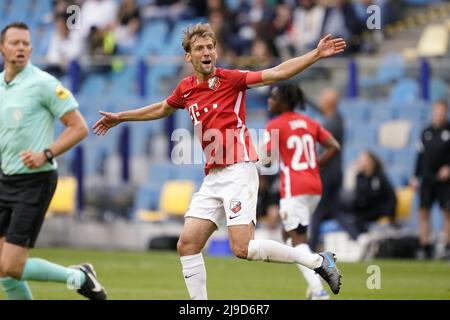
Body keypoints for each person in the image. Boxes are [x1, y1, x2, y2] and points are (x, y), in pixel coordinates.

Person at [93, 23, 345, 299]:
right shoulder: (186, 88)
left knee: (243, 249)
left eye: (210, 47)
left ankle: (318, 262)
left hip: (239, 170)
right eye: (199, 48)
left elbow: (277, 72)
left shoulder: (231, 80)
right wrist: (121, 117)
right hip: (213, 177)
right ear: (188, 56)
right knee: (187, 244)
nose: (206, 52)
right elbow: (162, 108)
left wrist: (315, 54)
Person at [0, 22, 106, 300]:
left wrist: (45, 153)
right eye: (15, 43)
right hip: (5, 180)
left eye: (25, 43)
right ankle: (80, 275)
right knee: (2, 267)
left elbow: (79, 127)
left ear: (32, 49)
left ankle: (80, 277)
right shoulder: (0, 86)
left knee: (12, 265)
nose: (21, 48)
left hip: (34, 181)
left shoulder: (43, 83)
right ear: (2, 48)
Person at [262, 84, 341, 299]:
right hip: (314, 186)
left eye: (274, 97)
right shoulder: (310, 122)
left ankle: (318, 288)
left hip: (294, 188)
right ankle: (313, 285)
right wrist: (314, 165)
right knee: (288, 236)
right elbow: (334, 146)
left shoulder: (275, 125)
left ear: (285, 101)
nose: (269, 100)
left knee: (297, 242)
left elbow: (265, 157)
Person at [411, 100, 450, 260]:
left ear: (446, 112)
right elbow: (420, 156)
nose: (439, 114)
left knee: (447, 211)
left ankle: (447, 247)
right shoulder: (426, 132)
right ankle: (424, 246)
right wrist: (415, 176)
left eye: (442, 111)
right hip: (427, 178)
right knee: (423, 211)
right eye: (436, 111)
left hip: (445, 180)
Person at [308, 88, 345, 251]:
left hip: (328, 174)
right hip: (333, 173)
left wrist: (314, 166)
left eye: (323, 98)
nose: (321, 101)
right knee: (335, 212)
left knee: (318, 211)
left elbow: (325, 148)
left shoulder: (332, 122)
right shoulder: (335, 119)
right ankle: (358, 236)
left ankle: (310, 247)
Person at [339, 150, 397, 241]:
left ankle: (364, 240)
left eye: (363, 160)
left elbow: (391, 198)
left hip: (379, 212)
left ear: (371, 162)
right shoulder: (359, 178)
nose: (360, 162)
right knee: (347, 216)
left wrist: (389, 215)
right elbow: (357, 199)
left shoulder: (380, 177)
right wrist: (351, 176)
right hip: (364, 213)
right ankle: (362, 240)